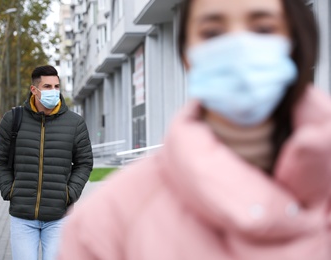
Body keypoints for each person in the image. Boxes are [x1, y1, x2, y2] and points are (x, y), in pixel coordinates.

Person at [58, 0, 331, 259]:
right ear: (187, 55)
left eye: (263, 29)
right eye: (212, 33)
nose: (237, 47)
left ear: (295, 41)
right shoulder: (108, 223)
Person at [0, 65, 93, 260]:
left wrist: (69, 193)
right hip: (22, 217)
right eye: (47, 86)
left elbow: (84, 163)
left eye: (56, 86)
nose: (53, 91)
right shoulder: (13, 119)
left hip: (59, 217)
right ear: (34, 90)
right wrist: (9, 189)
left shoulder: (75, 123)